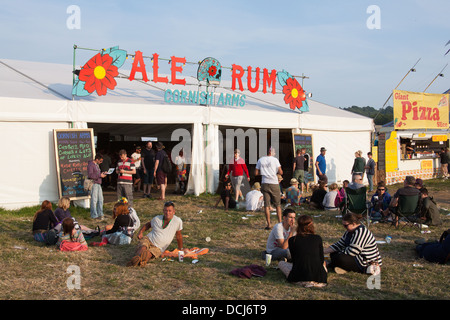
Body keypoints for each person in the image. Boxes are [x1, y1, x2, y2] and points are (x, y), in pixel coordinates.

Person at [127, 201, 185, 267]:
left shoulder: (177, 221)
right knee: (143, 247)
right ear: (163, 211)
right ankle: (138, 260)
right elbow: (148, 225)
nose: (167, 213)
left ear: (174, 211)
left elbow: (179, 235)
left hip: (159, 247)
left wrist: (181, 249)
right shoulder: (157, 218)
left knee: (148, 254)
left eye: (170, 211)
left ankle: (137, 261)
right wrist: (141, 232)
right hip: (148, 239)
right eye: (166, 210)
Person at [278, 215, 327, 287]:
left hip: (298, 277)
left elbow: (294, 260)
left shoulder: (292, 240)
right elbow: (321, 259)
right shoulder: (318, 238)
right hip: (319, 279)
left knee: (281, 263)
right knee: (324, 264)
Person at [255, 147, 283, 230]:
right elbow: (281, 172)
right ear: (272, 152)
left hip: (264, 183)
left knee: (266, 205)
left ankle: (268, 224)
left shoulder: (261, 160)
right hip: (273, 182)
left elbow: (256, 173)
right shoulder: (275, 160)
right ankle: (280, 223)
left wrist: (264, 172)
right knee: (278, 204)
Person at [87, 154, 107, 220]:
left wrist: (103, 173)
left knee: (101, 199)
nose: (101, 162)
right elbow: (90, 175)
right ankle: (94, 215)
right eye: (100, 161)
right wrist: (99, 175)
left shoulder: (96, 165)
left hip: (98, 183)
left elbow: (97, 174)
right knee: (94, 199)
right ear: (96, 159)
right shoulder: (91, 165)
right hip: (94, 183)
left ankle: (100, 213)